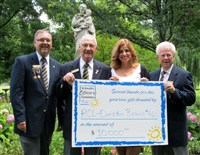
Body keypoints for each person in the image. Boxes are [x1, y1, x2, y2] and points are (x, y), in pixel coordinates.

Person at [10, 29, 62, 155]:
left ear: (51, 43)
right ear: (35, 43)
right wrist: (20, 117)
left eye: (48, 40)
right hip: (28, 122)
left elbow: (58, 95)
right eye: (41, 40)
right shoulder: (23, 62)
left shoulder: (57, 66)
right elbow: (16, 92)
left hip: (47, 122)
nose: (45, 42)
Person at [57, 34, 111, 155]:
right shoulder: (67, 67)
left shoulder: (105, 69)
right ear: (79, 47)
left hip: (95, 124)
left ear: (96, 49)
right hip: (72, 123)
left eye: (91, 45)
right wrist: (64, 81)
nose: (88, 48)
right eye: (85, 45)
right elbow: (59, 96)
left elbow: (107, 99)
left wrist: (114, 86)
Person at [150, 41, 196, 155]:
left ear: (173, 56)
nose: (166, 58)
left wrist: (175, 91)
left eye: (168, 55)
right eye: (163, 55)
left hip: (176, 133)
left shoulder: (184, 75)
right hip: (156, 132)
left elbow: (191, 98)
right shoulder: (152, 76)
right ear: (158, 58)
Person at [109, 38, 150, 155]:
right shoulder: (111, 71)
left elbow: (152, 96)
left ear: (131, 52)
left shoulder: (141, 69)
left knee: (133, 151)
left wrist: (147, 86)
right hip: (116, 121)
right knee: (121, 152)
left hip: (137, 120)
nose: (124, 54)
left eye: (127, 51)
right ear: (117, 55)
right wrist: (110, 83)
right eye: (121, 52)